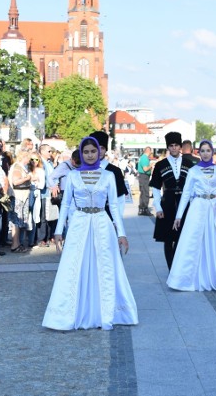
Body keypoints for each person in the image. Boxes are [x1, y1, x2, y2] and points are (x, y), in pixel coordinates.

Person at [42, 136, 138, 331]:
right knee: (74, 266)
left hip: (102, 223)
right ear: (81, 154)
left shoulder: (108, 176)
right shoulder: (73, 176)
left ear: (99, 152)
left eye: (93, 151)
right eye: (86, 152)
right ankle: (71, 312)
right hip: (79, 224)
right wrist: (59, 231)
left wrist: (122, 233)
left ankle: (106, 311)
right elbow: (66, 203)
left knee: (105, 267)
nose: (90, 155)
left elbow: (113, 205)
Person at [166, 140, 216, 291]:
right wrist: (178, 216)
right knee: (192, 241)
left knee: (213, 241)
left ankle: (212, 275)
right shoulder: (193, 171)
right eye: (202, 151)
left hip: (214, 209)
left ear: (212, 152)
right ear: (199, 152)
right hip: (197, 208)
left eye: (208, 150)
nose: (205, 153)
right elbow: (185, 194)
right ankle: (187, 278)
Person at [149, 132, 196, 269]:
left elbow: (194, 186)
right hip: (167, 202)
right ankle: (171, 268)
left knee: (183, 237)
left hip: (185, 202)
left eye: (176, 145)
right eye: (171, 146)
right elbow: (156, 188)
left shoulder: (189, 164)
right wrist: (158, 207)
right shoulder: (160, 165)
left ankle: (178, 266)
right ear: (168, 147)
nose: (174, 148)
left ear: (180, 147)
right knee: (168, 238)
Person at [137, 146, 153, 216]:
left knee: (143, 192)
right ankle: (145, 209)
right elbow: (145, 169)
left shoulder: (143, 157)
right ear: (148, 151)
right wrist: (151, 165)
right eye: (151, 151)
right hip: (144, 177)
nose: (151, 152)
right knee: (145, 193)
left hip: (143, 177)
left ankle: (142, 209)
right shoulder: (144, 158)